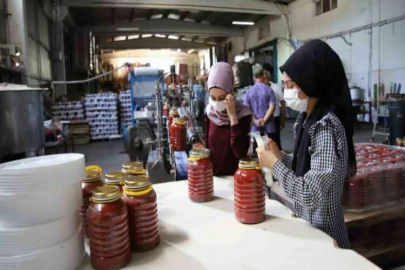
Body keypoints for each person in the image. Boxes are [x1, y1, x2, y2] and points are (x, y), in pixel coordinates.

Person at [256, 40, 356, 249]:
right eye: (284, 85)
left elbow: (310, 194)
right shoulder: (306, 119)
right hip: (308, 226)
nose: (286, 92)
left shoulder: (325, 128)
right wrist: (282, 157)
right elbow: (307, 163)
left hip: (326, 236)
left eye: (291, 85)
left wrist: (274, 165)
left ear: (311, 82)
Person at [194, 62, 252, 176]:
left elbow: (241, 153)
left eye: (222, 98)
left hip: (235, 178)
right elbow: (209, 143)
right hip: (213, 176)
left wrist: (233, 117)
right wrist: (202, 146)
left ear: (230, 92)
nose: (217, 102)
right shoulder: (210, 113)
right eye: (213, 98)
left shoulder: (243, 114)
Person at [244, 65, 277, 143]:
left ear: (254, 77)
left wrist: (255, 121)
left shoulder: (248, 92)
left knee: (258, 150)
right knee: (270, 150)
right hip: (269, 127)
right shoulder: (270, 90)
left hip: (255, 128)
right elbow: (272, 107)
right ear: (263, 76)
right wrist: (264, 120)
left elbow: (246, 110)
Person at [263, 72, 286, 150]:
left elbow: (282, 103)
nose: (263, 81)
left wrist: (283, 117)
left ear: (269, 79)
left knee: (275, 139)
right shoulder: (260, 88)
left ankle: (280, 157)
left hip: (275, 118)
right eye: (262, 79)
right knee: (264, 140)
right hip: (263, 118)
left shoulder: (276, 87)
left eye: (265, 79)